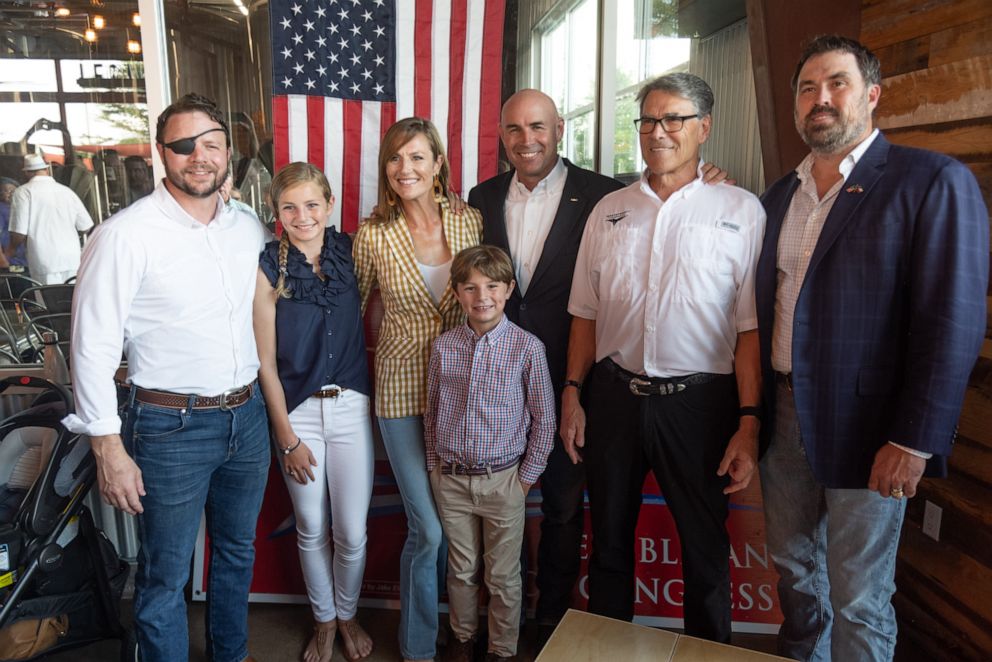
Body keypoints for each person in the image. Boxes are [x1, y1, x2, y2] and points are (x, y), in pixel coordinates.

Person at [755, 35, 988, 662]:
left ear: (873, 95)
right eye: (807, 87)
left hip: (872, 427)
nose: (820, 99)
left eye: (837, 83)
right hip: (783, 419)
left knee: (859, 594)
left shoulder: (930, 180)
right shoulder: (780, 196)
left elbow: (954, 321)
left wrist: (914, 440)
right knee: (795, 575)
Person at [63, 93, 269, 662]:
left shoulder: (246, 227)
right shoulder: (126, 235)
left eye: (211, 145)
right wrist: (108, 448)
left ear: (229, 153)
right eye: (183, 146)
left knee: (236, 554)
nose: (198, 157)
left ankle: (231, 655)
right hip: (168, 426)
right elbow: (91, 347)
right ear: (161, 154)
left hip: (247, 419)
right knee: (164, 576)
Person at [561, 72, 765, 642]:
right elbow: (585, 314)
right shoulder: (609, 210)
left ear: (704, 127)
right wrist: (573, 394)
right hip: (615, 400)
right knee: (609, 548)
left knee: (704, 554)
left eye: (673, 119)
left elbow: (749, 330)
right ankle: (605, 653)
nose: (658, 132)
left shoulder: (741, 210)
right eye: (648, 119)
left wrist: (748, 424)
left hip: (699, 406)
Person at [466, 90, 623, 633]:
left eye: (537, 127)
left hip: (569, 377)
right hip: (495, 384)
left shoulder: (603, 195)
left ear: (559, 127)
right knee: (491, 509)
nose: (525, 140)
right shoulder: (480, 197)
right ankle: (494, 621)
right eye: (513, 129)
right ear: (502, 135)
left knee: (560, 505)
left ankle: (550, 618)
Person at [352, 117, 482, 662]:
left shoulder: (470, 221)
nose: (404, 169)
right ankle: (418, 648)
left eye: (416, 158)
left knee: (459, 524)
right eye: (395, 159)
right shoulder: (373, 234)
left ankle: (470, 631)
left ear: (437, 166)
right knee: (426, 528)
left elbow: (488, 297)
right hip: (400, 391)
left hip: (461, 393)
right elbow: (347, 310)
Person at [253, 162, 374, 662]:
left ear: (328, 204)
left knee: (351, 529)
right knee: (310, 525)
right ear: (276, 212)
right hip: (297, 416)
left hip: (351, 410)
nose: (302, 216)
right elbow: (264, 361)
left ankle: (347, 614)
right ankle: (323, 621)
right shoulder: (267, 264)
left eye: (311, 204)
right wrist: (287, 437)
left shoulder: (352, 250)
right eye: (289, 207)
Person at [425, 245, 555, 662]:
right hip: (452, 479)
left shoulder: (527, 348)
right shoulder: (444, 347)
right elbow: (432, 412)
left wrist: (524, 479)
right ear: (458, 293)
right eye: (471, 287)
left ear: (509, 289)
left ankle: (502, 650)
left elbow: (545, 421)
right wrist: (433, 468)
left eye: (492, 286)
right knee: (461, 569)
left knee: (502, 575)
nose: (482, 296)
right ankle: (463, 638)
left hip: (504, 481)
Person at [7, 154, 93, 284]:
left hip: (44, 259)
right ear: (46, 170)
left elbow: (19, 233)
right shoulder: (66, 192)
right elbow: (85, 226)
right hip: (72, 259)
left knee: (48, 301)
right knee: (71, 301)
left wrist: (10, 251)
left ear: (27, 173)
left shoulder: (23, 192)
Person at [0, 176, 27, 272]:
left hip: (22, 260)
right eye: (5, 191)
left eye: (12, 191)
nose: (10, 194)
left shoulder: (18, 207)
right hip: (9, 262)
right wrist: (3, 260)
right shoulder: (2, 209)